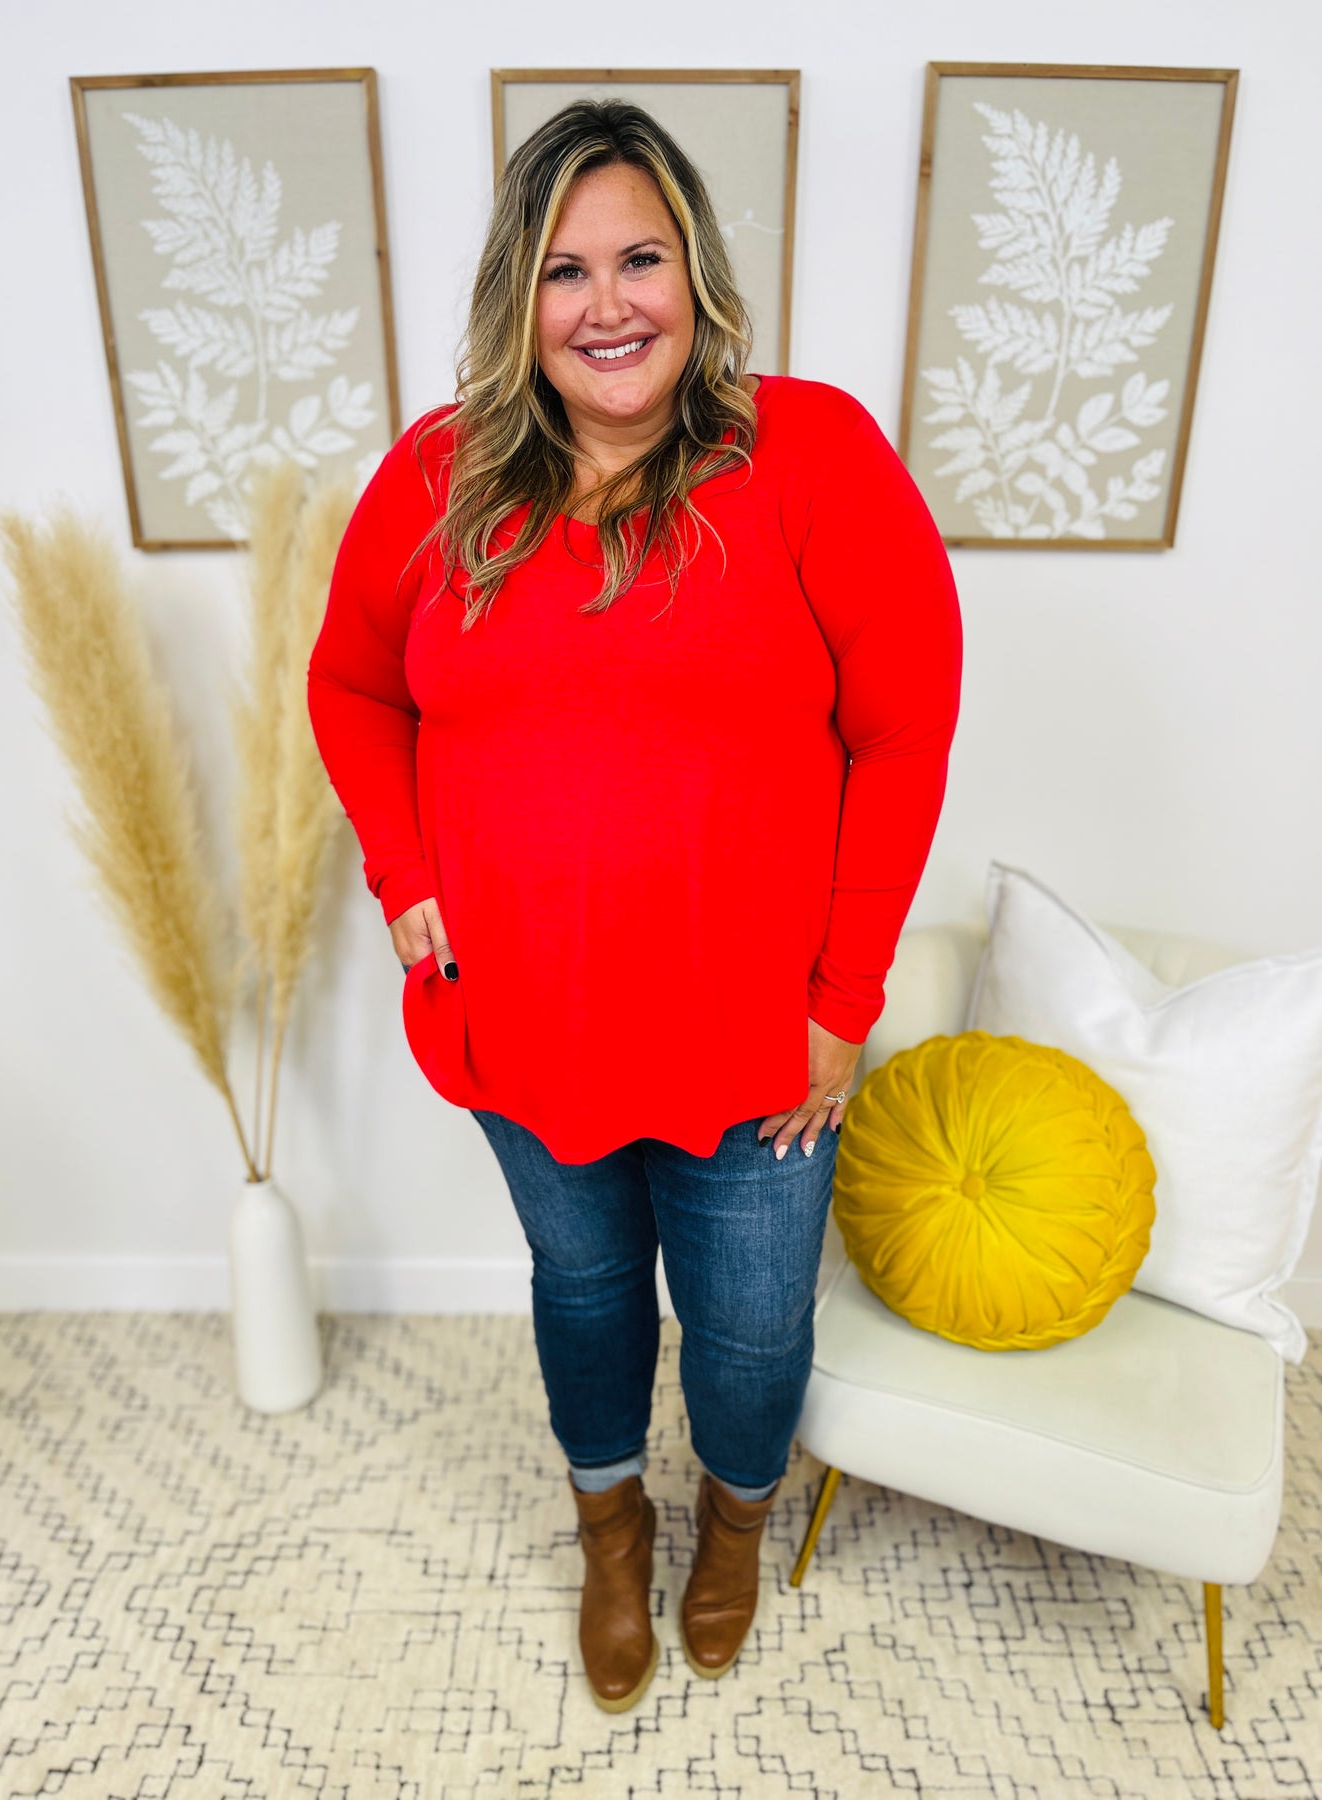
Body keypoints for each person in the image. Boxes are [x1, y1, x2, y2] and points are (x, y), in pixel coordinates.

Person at [306, 98, 962, 1714]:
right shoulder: (439, 475)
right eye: (564, 269)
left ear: (695, 274)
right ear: (518, 298)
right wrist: (404, 876)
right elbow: (351, 685)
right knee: (586, 1294)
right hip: (523, 1022)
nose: (607, 304)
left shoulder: (810, 456)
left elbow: (903, 734)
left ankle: (729, 1524)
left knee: (747, 1333)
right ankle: (612, 1526)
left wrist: (844, 1001)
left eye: (639, 259)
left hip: (759, 1044)